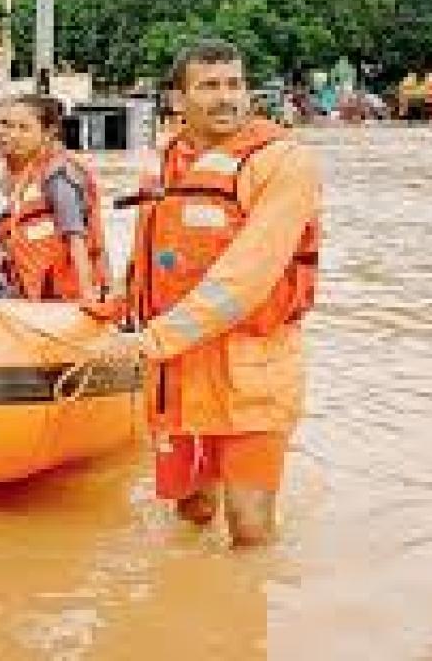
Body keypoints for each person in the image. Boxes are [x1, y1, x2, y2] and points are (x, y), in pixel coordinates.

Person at [85, 39, 321, 548]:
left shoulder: (283, 163)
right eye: (209, 86)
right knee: (191, 512)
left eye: (235, 84)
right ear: (177, 99)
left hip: (252, 374)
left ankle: (250, 599)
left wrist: (148, 342)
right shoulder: (166, 162)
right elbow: (150, 259)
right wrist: (113, 309)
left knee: (249, 525)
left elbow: (246, 278)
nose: (226, 97)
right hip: (178, 375)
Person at [0, 95, 108, 304]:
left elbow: (75, 237)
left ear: (48, 132)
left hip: (67, 293)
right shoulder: (1, 172)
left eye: (24, 128)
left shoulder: (57, 174)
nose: (14, 135)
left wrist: (87, 295)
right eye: (11, 127)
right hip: (30, 289)